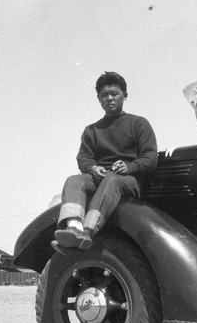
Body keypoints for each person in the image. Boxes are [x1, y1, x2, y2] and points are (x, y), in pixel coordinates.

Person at [52, 72, 158, 254]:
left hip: (128, 181)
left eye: (114, 93)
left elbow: (150, 157)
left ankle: (88, 231)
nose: (109, 98)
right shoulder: (91, 130)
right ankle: (74, 227)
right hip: (100, 179)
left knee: (112, 180)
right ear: (98, 99)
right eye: (104, 95)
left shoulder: (139, 124)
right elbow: (83, 158)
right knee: (74, 180)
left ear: (125, 95)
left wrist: (129, 167)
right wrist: (93, 168)